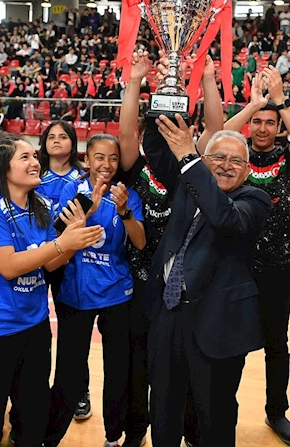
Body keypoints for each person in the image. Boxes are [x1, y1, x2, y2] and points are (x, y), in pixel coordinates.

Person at [0, 134, 103, 446]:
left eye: (34, 156)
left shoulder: (40, 205)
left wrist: (73, 239)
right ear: (3, 167)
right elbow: (8, 265)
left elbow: (50, 264)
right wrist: (62, 243)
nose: (34, 162)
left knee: (32, 416)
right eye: (24, 157)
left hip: (34, 325)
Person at [143, 113, 272, 447]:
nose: (226, 165)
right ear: (204, 161)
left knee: (214, 417)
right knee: (163, 408)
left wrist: (190, 157)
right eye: (218, 157)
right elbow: (155, 151)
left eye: (236, 160)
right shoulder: (187, 185)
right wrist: (160, 108)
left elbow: (224, 216)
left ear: (247, 170)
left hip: (218, 323)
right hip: (168, 313)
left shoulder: (254, 200)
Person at [117, 49, 224, 447]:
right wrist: (135, 80)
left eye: (172, 129)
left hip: (184, 285)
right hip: (140, 279)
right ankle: (136, 432)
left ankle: (192, 431)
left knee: (187, 364)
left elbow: (215, 127)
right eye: (156, 130)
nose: (162, 137)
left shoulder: (194, 170)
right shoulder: (138, 167)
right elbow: (126, 133)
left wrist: (208, 79)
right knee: (138, 365)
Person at [222, 66, 290, 444]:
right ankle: (223, 410)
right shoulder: (236, 157)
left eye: (269, 122)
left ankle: (276, 412)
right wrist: (253, 105)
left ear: (279, 127)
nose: (261, 128)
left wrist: (280, 100)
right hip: (236, 266)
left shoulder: (287, 159)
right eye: (256, 122)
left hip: (277, 267)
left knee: (277, 344)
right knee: (232, 344)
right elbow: (220, 136)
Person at [44, 134, 146, 447]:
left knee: (118, 372)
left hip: (117, 293)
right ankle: (50, 437)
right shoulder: (71, 189)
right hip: (75, 291)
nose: (106, 164)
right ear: (87, 159)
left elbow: (140, 242)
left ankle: (114, 437)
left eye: (113, 158)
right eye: (99, 157)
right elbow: (59, 235)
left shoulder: (126, 194)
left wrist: (124, 210)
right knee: (68, 372)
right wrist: (90, 208)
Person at [34, 120, 89, 420]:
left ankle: (79, 390)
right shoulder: (33, 175)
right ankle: (34, 392)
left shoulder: (83, 178)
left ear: (73, 142)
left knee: (73, 333)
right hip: (39, 257)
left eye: (63, 136)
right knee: (37, 329)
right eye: (51, 136)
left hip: (72, 261)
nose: (56, 141)